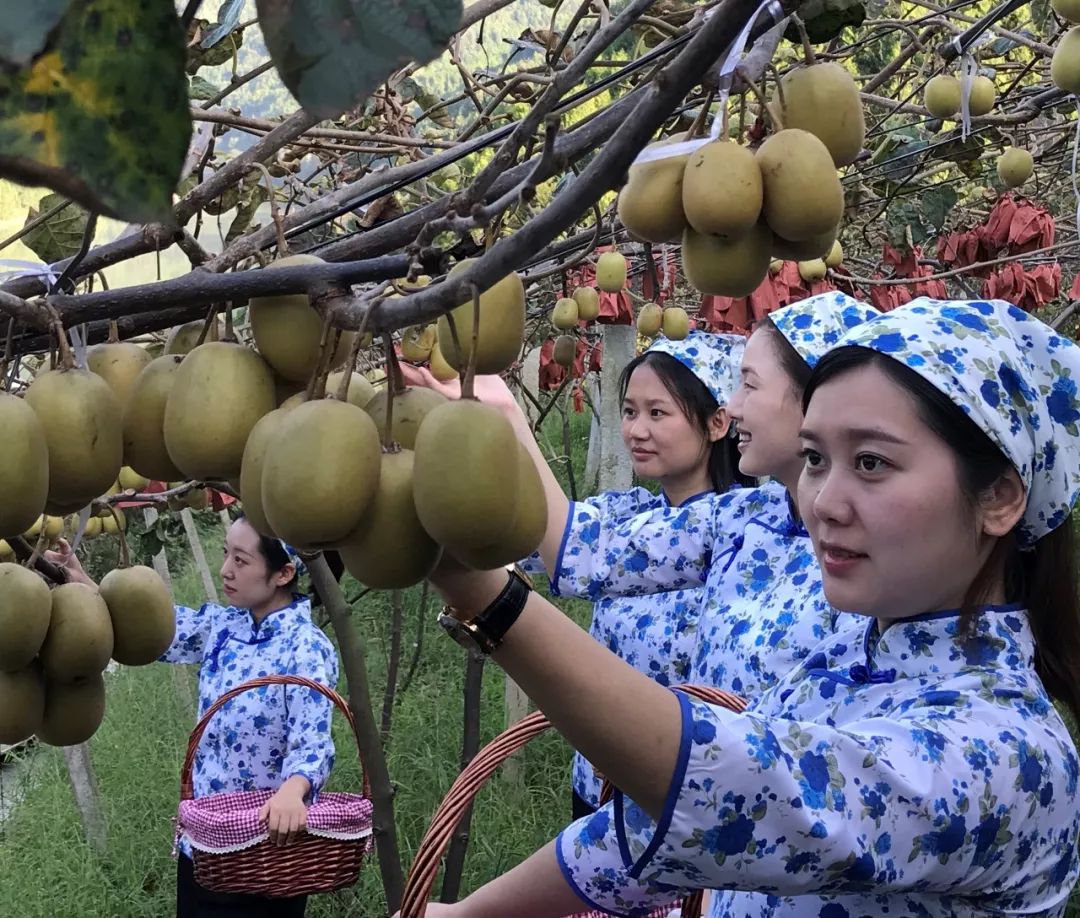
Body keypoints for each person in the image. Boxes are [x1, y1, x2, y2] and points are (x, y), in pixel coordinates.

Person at [403, 297, 1080, 916]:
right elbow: (650, 834)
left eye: (872, 463)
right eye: (816, 459)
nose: (823, 503)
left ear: (998, 498)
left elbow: (740, 790)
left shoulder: (1012, 756)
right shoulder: (839, 666)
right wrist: (470, 913)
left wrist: (486, 598)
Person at [48, 514, 339, 918]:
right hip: (204, 845)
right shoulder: (223, 626)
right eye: (225, 555)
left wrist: (294, 791)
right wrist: (82, 584)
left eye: (241, 560)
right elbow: (153, 630)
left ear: (283, 573)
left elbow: (312, 741)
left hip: (267, 851)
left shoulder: (306, 648)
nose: (226, 570)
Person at [551, 330, 753, 817]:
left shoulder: (746, 535)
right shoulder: (627, 516)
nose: (635, 430)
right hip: (597, 790)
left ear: (718, 422)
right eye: (629, 411)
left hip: (680, 801)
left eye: (657, 413)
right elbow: (546, 535)